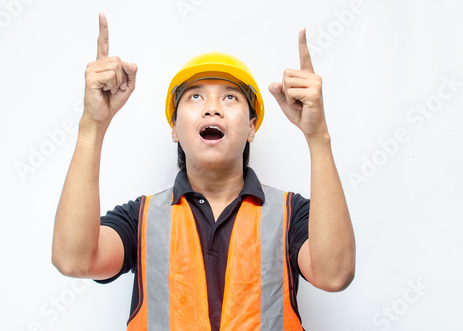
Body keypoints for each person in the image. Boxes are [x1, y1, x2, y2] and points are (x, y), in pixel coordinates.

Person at [52, 12, 355, 331]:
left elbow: (335, 275)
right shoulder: (140, 219)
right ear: (174, 129)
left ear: (252, 127)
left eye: (230, 97)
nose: (213, 107)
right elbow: (74, 260)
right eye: (195, 96)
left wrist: (318, 137)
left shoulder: (292, 215)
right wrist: (92, 126)